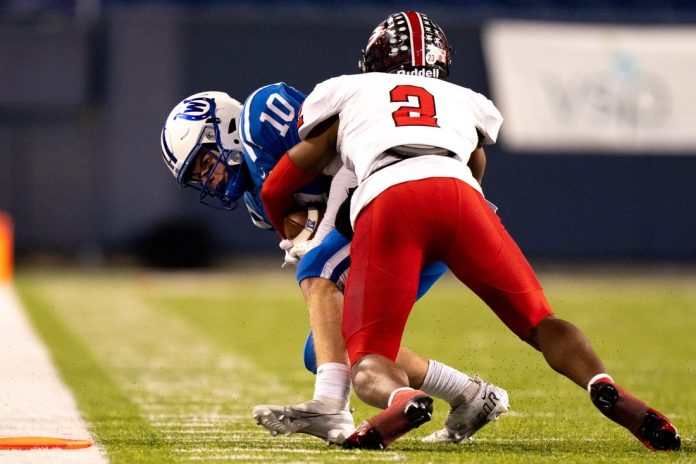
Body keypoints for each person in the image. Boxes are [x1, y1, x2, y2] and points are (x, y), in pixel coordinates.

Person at [260, 10, 681, 451]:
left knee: (368, 356)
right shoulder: (464, 99)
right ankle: (601, 382)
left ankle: (403, 399)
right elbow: (475, 171)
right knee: (541, 322)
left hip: (389, 200)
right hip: (462, 199)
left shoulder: (347, 91)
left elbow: (276, 187)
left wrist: (288, 232)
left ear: (375, 58)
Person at [160, 86, 509, 444]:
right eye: (199, 178)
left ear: (226, 129)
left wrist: (321, 236)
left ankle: (330, 405)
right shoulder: (257, 204)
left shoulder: (263, 116)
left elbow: (354, 156)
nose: (211, 180)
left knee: (319, 276)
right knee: (325, 347)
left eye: (207, 164)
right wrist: (315, 238)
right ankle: (470, 394)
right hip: (384, 233)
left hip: (411, 207)